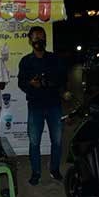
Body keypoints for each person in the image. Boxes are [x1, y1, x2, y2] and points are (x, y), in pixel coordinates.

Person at [17, 26, 67, 185]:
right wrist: (31, 84)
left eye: (42, 37)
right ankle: (36, 172)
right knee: (34, 142)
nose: (39, 40)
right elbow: (21, 83)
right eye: (36, 37)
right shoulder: (26, 61)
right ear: (30, 41)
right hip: (35, 106)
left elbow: (62, 79)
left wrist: (49, 83)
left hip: (54, 106)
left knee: (57, 141)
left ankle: (54, 169)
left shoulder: (54, 59)